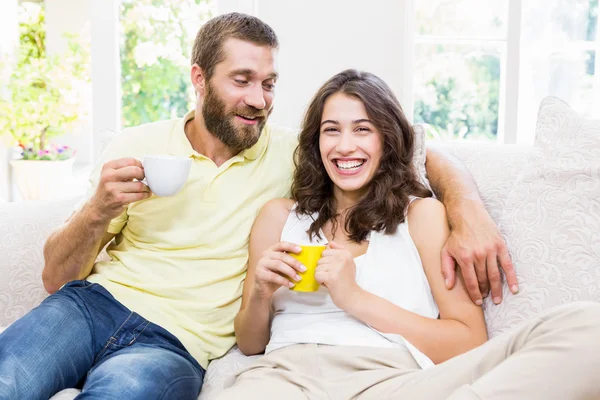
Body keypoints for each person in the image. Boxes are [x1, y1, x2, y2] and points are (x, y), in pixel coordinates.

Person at [1, 13, 511, 400]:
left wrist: (468, 209)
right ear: (199, 80)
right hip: (91, 304)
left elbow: (408, 148)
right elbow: (55, 277)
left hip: (177, 342)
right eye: (241, 80)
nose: (259, 100)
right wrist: (96, 210)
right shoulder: (134, 145)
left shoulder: (298, 154)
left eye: (268, 84)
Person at [217, 69, 600, 400]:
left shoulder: (421, 217)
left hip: (391, 383)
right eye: (331, 131)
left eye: (363, 130)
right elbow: (251, 344)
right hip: (286, 379)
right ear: (317, 144)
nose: (345, 146)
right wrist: (261, 295)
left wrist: (355, 297)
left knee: (588, 329)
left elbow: (467, 342)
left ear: (387, 139)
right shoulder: (279, 217)